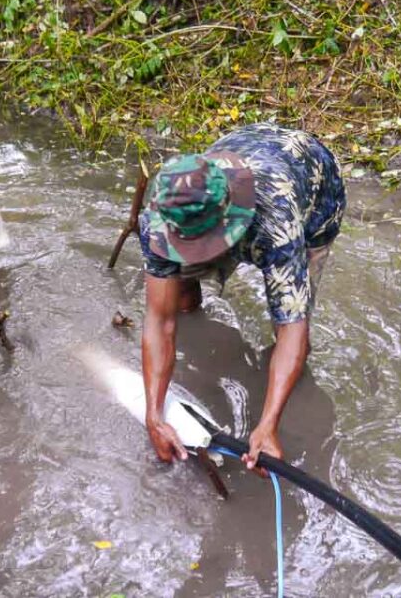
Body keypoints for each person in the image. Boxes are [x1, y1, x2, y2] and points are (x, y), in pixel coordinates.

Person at [139, 123, 346, 474]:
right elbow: (160, 320)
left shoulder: (277, 225)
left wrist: (267, 425)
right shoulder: (166, 216)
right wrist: (154, 414)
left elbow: (294, 330)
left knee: (290, 317)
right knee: (178, 291)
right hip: (242, 148)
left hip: (313, 189)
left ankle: (281, 393)